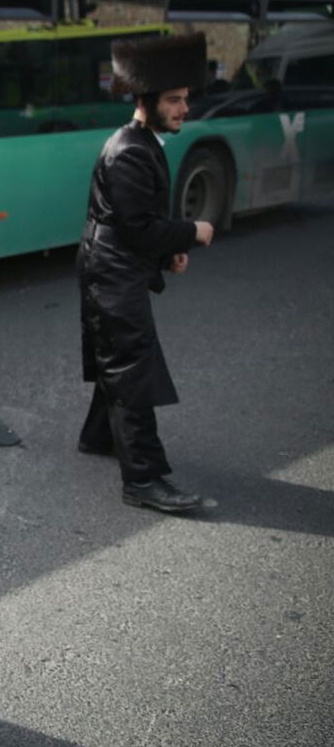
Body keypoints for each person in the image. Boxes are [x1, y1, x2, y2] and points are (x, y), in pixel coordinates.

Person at [78, 33, 215, 514]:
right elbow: (139, 227)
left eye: (185, 99)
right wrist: (192, 232)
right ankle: (144, 479)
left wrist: (167, 253)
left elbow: (132, 224)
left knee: (119, 357)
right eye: (174, 100)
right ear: (145, 100)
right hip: (112, 275)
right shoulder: (130, 150)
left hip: (114, 269)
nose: (184, 108)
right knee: (132, 368)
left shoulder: (140, 142)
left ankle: (99, 437)